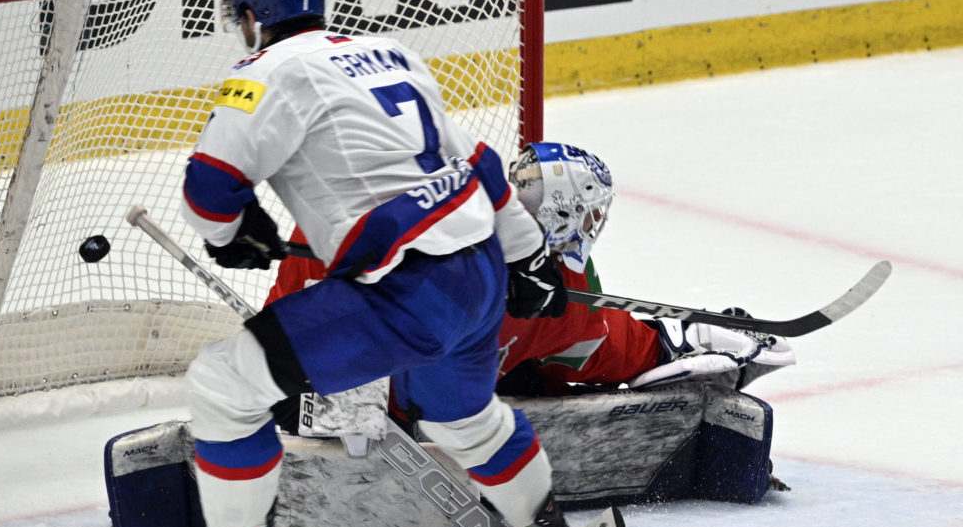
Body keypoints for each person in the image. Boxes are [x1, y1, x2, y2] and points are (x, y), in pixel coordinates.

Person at [149, 0, 571, 527]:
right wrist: (529, 258)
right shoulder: (392, 53)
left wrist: (233, 234)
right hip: (479, 271)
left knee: (224, 385)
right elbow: (483, 166)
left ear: (251, 12)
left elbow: (208, 194)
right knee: (461, 416)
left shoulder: (265, 73)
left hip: (404, 290)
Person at [270, 141, 795, 415]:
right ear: (567, 217)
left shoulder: (561, 297)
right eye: (592, 212)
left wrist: (675, 345)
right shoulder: (557, 295)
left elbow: (608, 344)